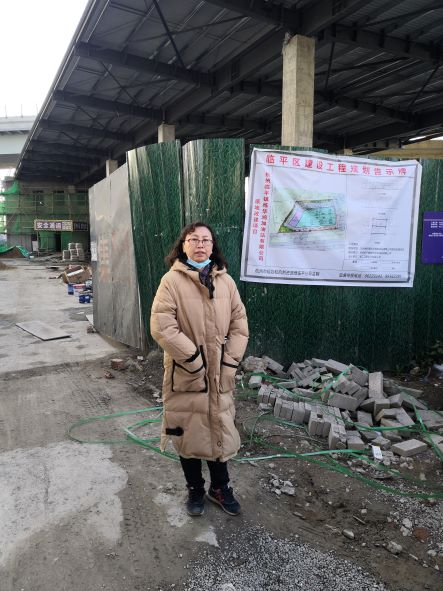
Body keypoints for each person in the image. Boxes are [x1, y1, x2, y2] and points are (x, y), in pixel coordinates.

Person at [150, 221, 249, 517]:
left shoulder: (226, 282)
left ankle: (220, 488)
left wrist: (230, 362)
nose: (200, 244)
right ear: (183, 245)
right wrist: (194, 360)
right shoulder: (171, 281)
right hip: (186, 373)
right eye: (193, 239)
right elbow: (162, 326)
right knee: (186, 431)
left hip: (220, 374)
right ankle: (194, 488)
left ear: (213, 246)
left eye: (206, 240)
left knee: (219, 426)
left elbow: (240, 325)